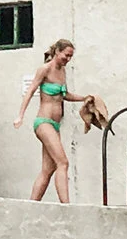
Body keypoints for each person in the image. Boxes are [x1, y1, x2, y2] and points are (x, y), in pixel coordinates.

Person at [13, 39, 94, 203]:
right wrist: (20, 115)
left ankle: (32, 204)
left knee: (48, 169)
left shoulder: (62, 71)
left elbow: (64, 95)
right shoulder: (45, 69)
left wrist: (84, 98)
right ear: (57, 51)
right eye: (66, 55)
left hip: (55, 125)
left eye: (70, 56)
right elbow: (30, 91)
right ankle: (66, 205)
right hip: (44, 122)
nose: (67, 59)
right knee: (63, 163)